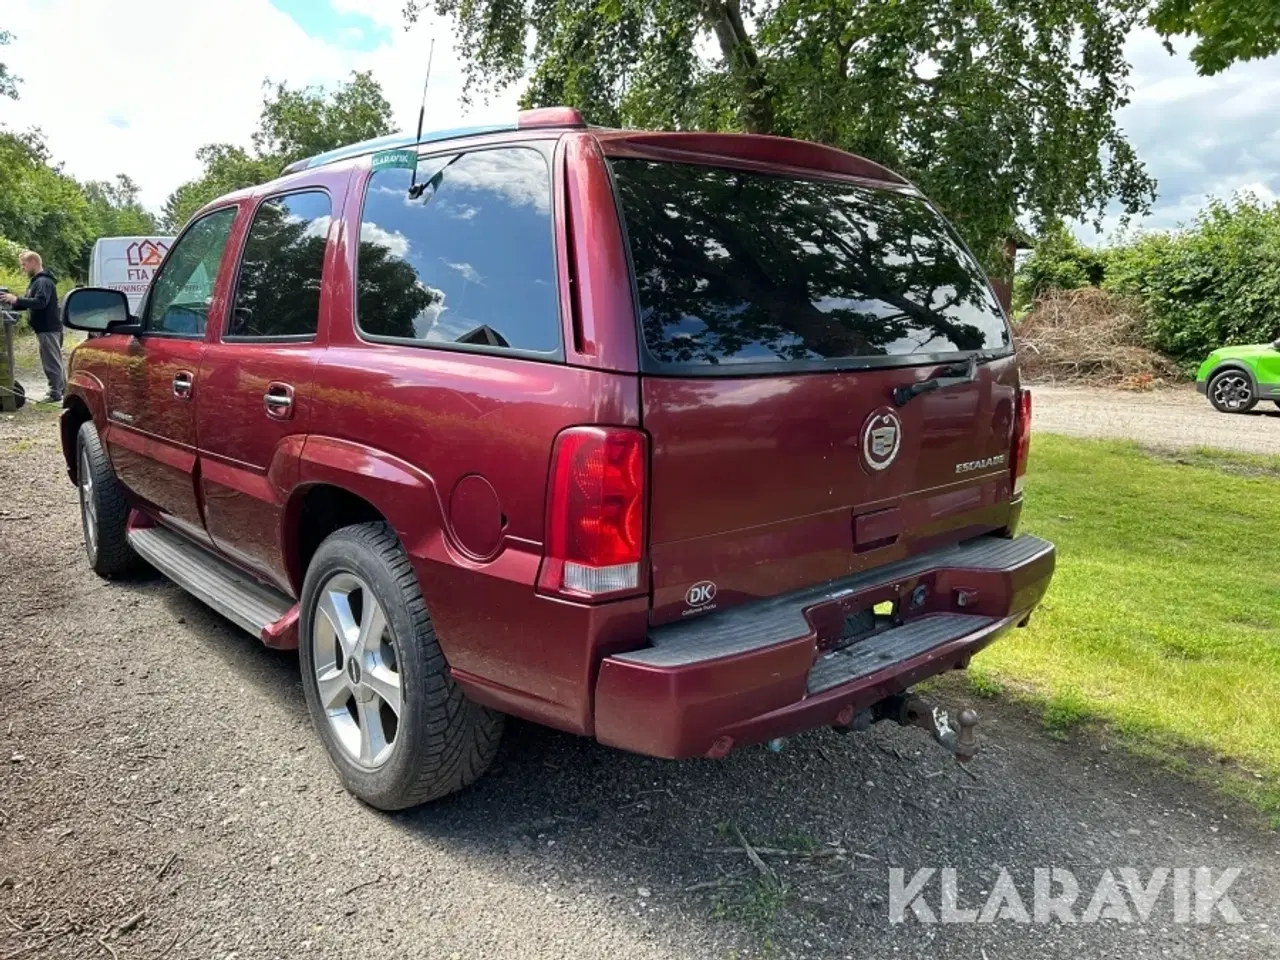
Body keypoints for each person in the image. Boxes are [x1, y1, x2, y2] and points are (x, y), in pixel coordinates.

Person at [1, 251, 63, 403]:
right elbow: (29, 303)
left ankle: (55, 393)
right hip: (46, 329)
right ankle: (62, 390)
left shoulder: (42, 282)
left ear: (34, 262)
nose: (23, 268)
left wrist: (16, 299)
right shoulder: (37, 282)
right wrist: (12, 303)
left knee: (51, 362)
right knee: (54, 360)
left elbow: (40, 303)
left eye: (24, 264)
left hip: (48, 329)